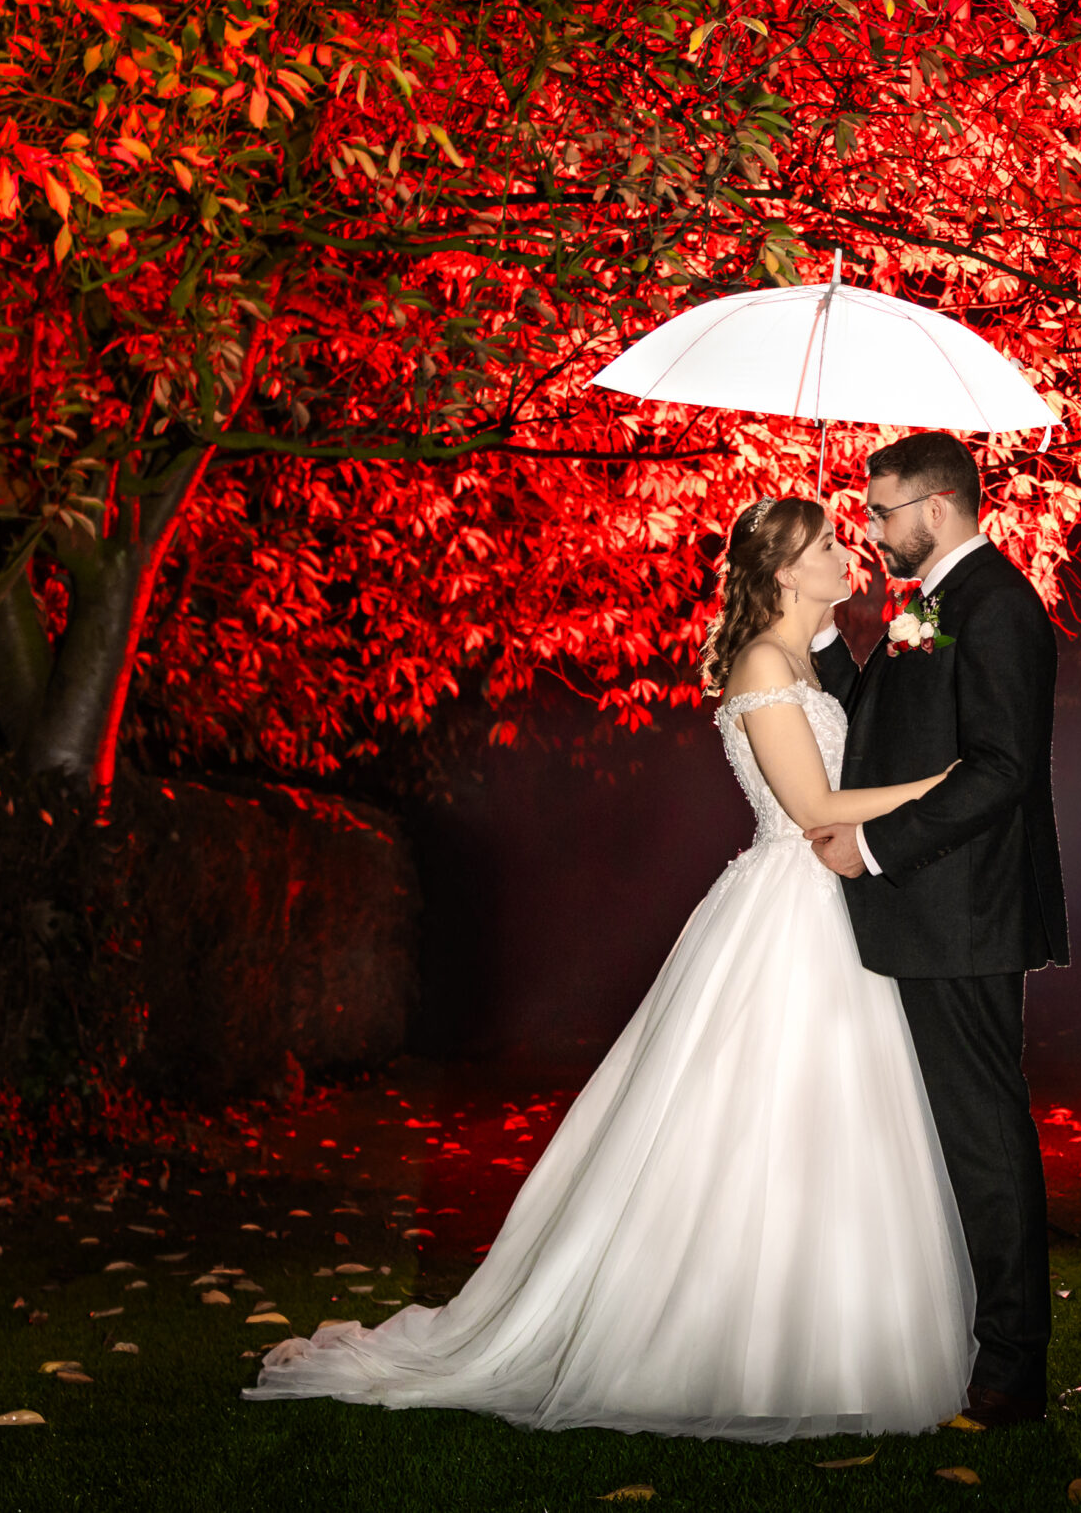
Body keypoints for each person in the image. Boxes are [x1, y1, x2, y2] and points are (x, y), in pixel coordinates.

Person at [241, 495, 977, 1441]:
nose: (851, 554)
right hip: (788, 908)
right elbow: (811, 803)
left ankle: (821, 1336)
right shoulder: (761, 661)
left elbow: (853, 734)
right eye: (830, 545)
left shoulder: (805, 658)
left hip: (828, 905)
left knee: (828, 1117)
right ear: (787, 571)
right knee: (755, 1121)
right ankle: (716, 1341)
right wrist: (944, 787)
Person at [806, 430, 1069, 1430]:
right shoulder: (930, 602)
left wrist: (871, 848)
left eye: (883, 512)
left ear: (940, 504)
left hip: (963, 914)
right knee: (947, 1137)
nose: (870, 531)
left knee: (983, 1139)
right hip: (929, 913)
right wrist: (831, 637)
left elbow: (1001, 767)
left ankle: (1009, 1375)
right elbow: (877, 718)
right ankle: (962, 1342)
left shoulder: (998, 606)